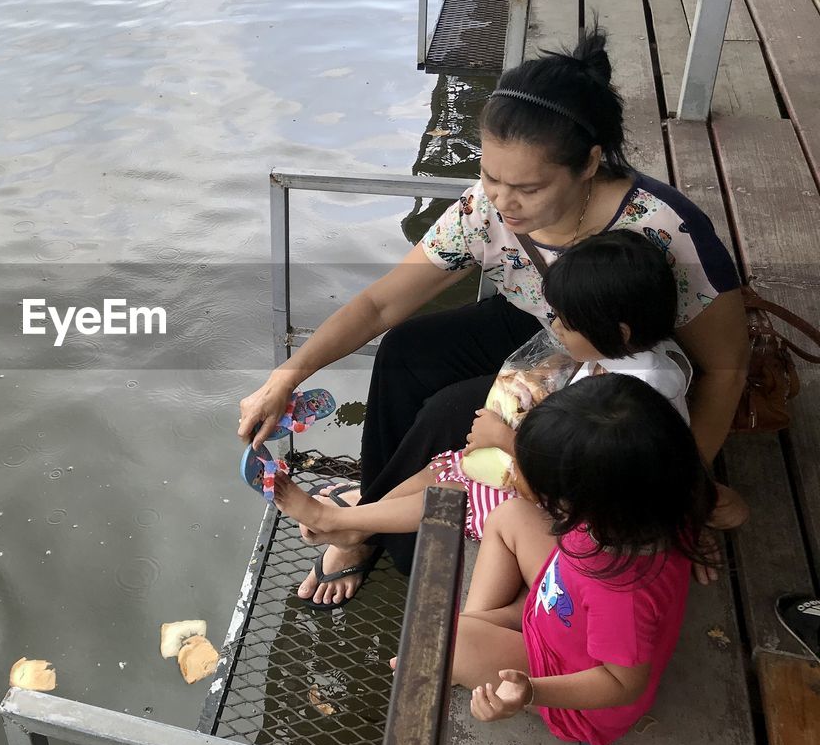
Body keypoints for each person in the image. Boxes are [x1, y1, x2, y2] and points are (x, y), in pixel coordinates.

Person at [237, 26, 748, 608]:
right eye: (491, 177)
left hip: (616, 357)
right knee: (410, 349)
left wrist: (675, 489)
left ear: (589, 164)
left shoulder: (666, 231)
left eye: (527, 188)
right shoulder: (485, 211)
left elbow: (726, 369)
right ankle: (368, 519)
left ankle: (387, 533)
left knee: (453, 412)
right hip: (543, 323)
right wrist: (287, 376)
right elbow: (382, 302)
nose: (503, 203)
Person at [272, 231, 743, 549]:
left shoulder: (638, 393)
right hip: (567, 479)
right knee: (448, 465)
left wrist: (507, 440)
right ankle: (360, 523)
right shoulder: (625, 357)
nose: (554, 327)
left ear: (617, 332)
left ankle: (342, 522)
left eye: (564, 320)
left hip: (590, 511)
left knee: (464, 491)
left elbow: (592, 475)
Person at [445, 374, 742, 745]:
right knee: (511, 515)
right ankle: (506, 621)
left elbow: (621, 684)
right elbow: (736, 509)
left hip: (567, 685)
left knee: (445, 640)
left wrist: (530, 692)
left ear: (592, 497)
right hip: (567, 604)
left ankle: (484, 638)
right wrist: (702, 528)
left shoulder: (623, 593)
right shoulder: (660, 493)